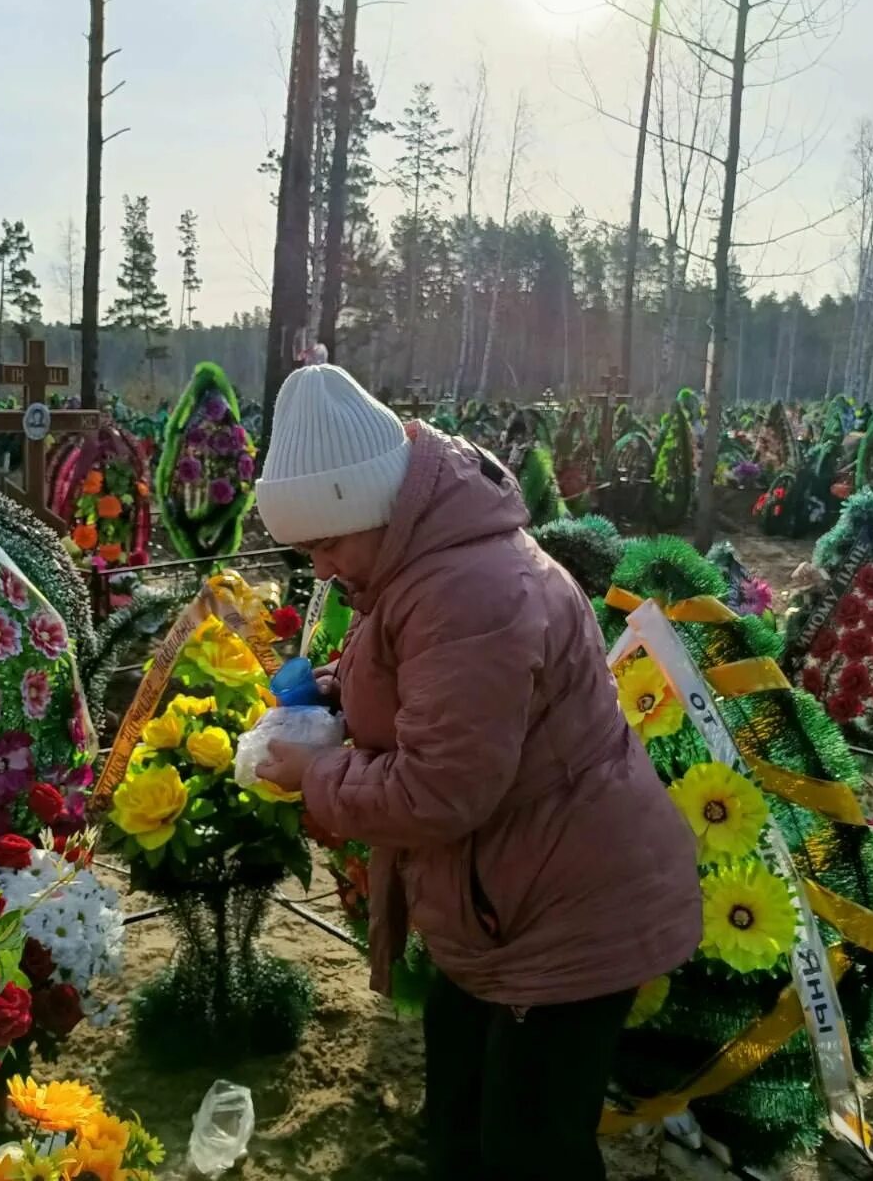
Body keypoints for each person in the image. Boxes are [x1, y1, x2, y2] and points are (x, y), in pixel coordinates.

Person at [254, 363, 702, 1181]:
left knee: (531, 1152)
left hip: (564, 907)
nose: (319, 569)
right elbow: (428, 689)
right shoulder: (418, 554)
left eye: (324, 543)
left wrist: (312, 776)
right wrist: (338, 702)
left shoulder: (468, 589)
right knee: (459, 1118)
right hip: (506, 895)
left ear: (368, 505)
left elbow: (442, 788)